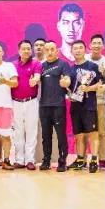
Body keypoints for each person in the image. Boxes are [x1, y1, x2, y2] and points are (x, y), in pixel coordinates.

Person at [68, 40, 103, 172]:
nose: (77, 50)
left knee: (93, 134)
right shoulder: (70, 69)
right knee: (79, 135)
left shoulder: (93, 66)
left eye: (80, 48)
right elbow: (69, 88)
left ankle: (94, 160)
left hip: (89, 105)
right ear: (71, 52)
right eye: (75, 48)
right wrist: (69, 94)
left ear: (85, 50)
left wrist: (89, 88)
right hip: (75, 106)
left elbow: (101, 84)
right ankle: (80, 160)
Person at [38, 41, 72, 172]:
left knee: (61, 135)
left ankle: (62, 161)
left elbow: (67, 79)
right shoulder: (41, 66)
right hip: (43, 106)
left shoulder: (63, 64)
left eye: (52, 49)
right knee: (46, 135)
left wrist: (66, 82)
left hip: (58, 105)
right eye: (47, 50)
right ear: (44, 51)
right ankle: (46, 160)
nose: (50, 52)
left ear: (57, 51)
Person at [11, 40, 42, 169]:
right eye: (23, 49)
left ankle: (30, 160)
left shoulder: (36, 63)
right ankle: (19, 160)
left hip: (31, 102)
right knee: (18, 132)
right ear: (19, 50)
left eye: (28, 48)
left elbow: (37, 76)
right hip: (15, 102)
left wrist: (35, 80)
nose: (26, 51)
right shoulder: (12, 65)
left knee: (31, 131)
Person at [88, 34, 105, 169]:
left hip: (102, 101)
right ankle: (83, 159)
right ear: (90, 45)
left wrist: (103, 76)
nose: (96, 45)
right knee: (86, 132)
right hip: (85, 101)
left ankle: (102, 159)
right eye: (94, 43)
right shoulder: (84, 59)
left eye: (99, 43)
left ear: (103, 46)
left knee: (102, 132)